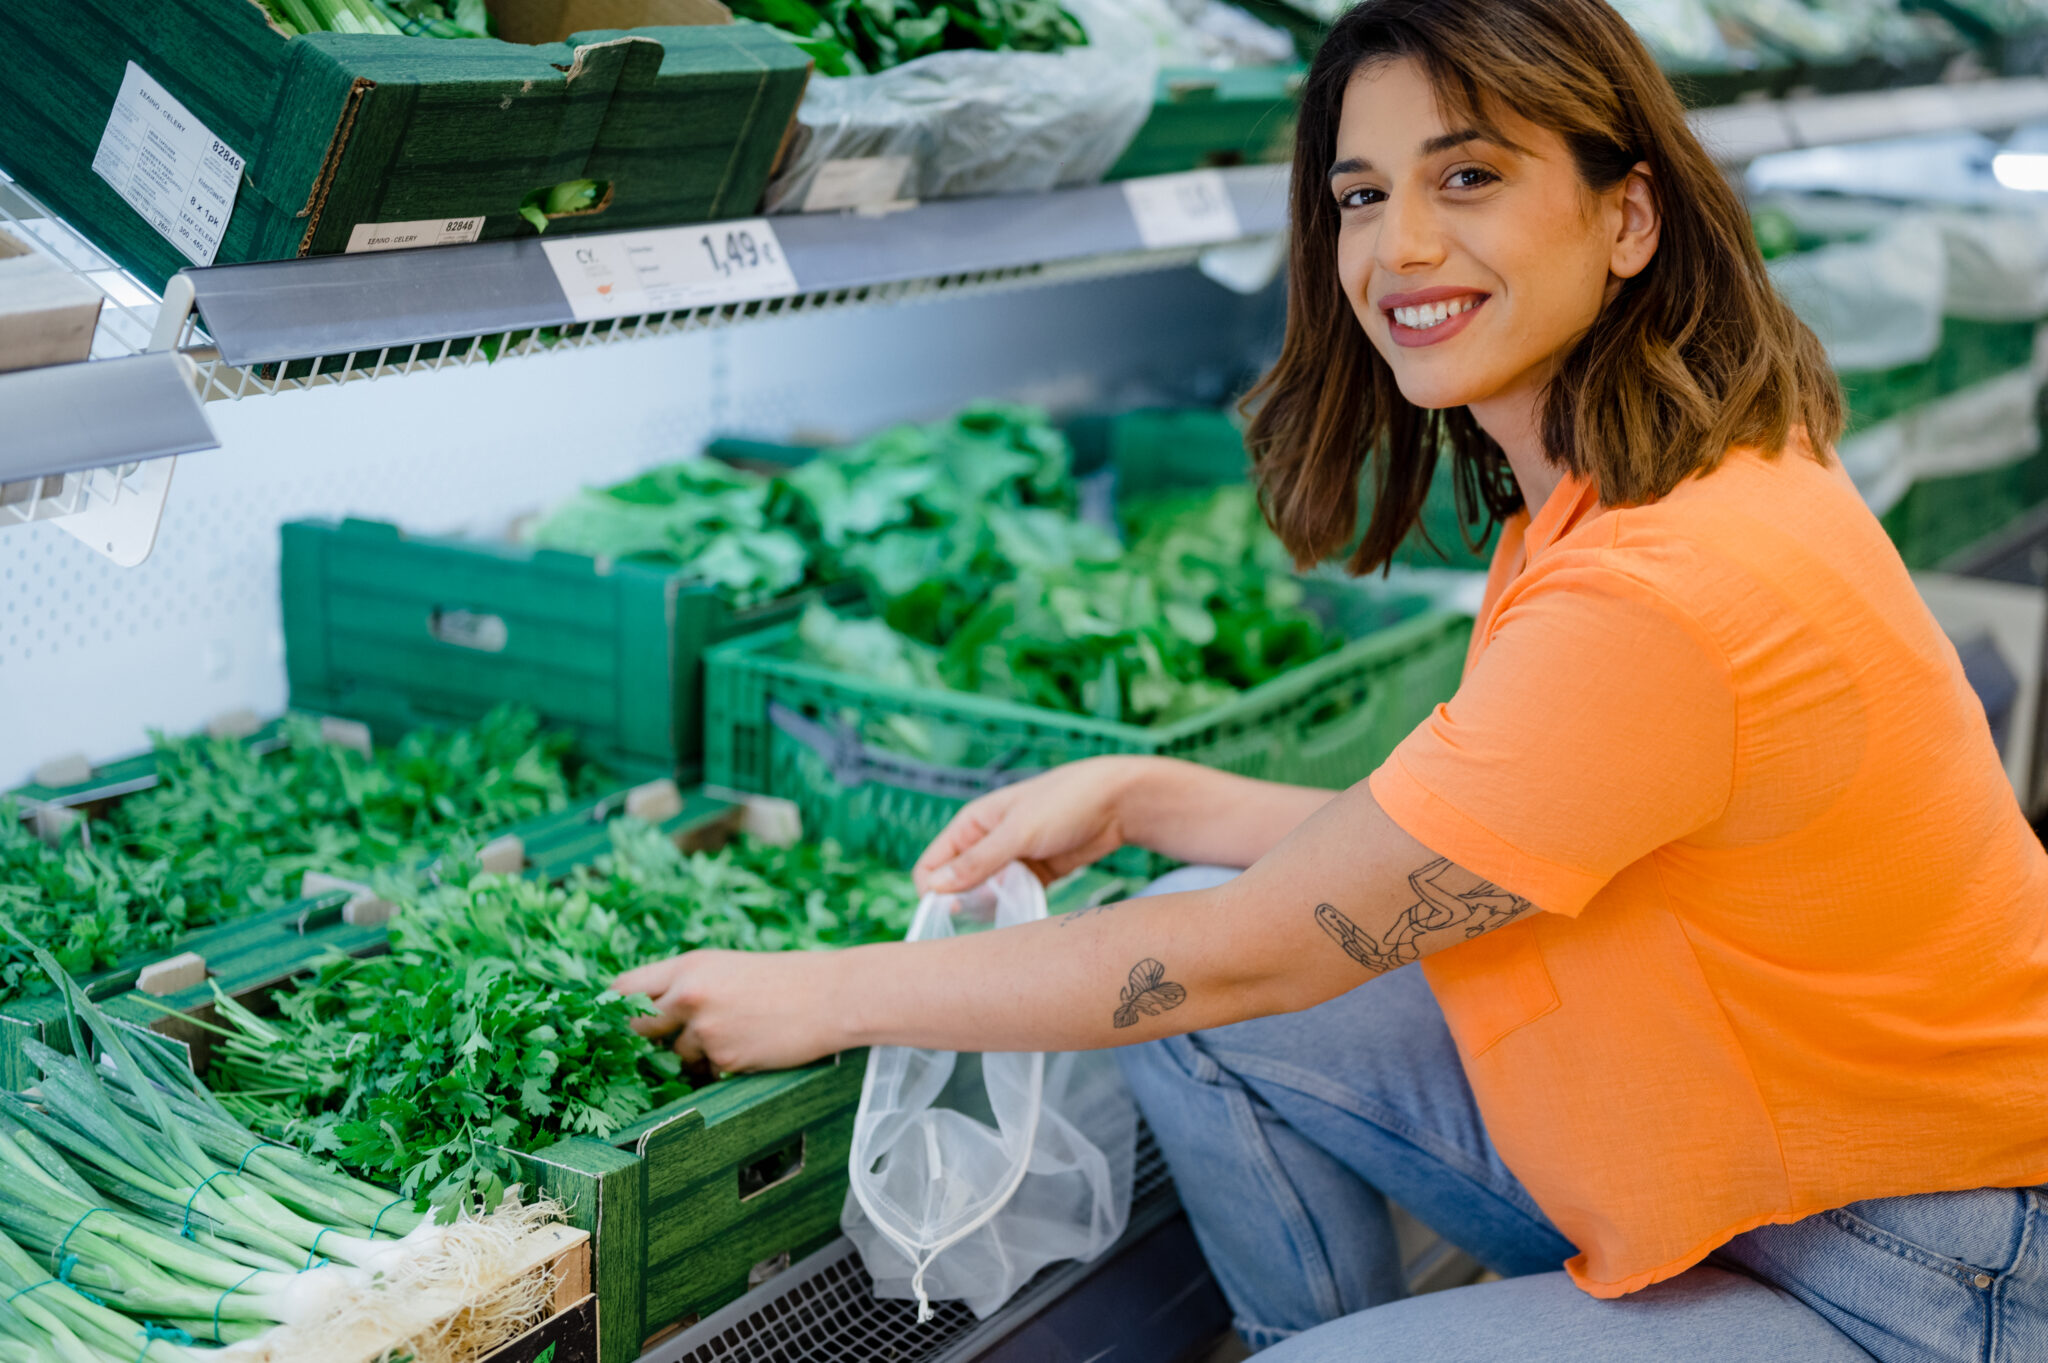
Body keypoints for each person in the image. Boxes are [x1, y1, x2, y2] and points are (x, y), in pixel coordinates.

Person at [612, 0, 2048, 1355]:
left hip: (1923, 1267)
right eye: (1362, 196)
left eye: (1468, 176)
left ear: (1629, 213)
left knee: (1215, 964)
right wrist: (1154, 790)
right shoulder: (1634, 480)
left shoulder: (1660, 591)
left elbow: (1259, 951)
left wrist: (829, 992)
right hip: (1746, 1145)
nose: (1398, 248)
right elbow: (1449, 842)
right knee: (1196, 946)